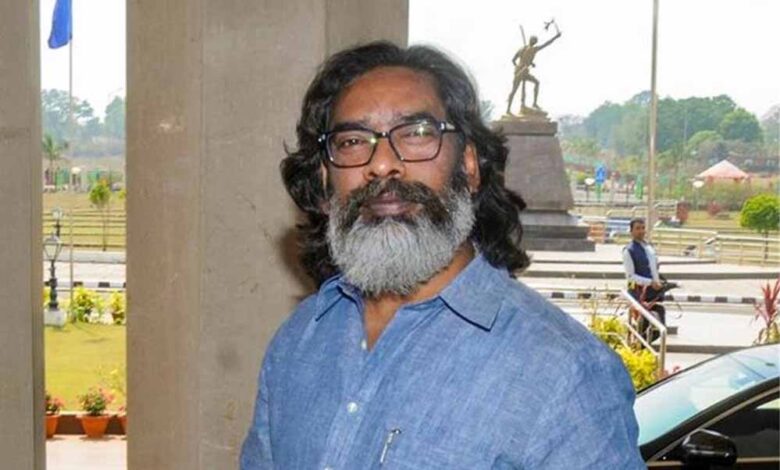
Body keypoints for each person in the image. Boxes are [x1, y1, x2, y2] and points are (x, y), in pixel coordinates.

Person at [241, 41, 643, 469]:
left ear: (468, 165)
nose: (382, 164)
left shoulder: (564, 372)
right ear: (326, 178)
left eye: (416, 134)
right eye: (353, 141)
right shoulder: (300, 340)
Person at [623, 218, 667, 338]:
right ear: (631, 231)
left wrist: (658, 281)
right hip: (639, 294)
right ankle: (639, 346)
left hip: (653, 293)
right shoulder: (629, 251)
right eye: (637, 228)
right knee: (644, 327)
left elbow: (653, 268)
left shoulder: (649, 248)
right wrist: (650, 282)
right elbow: (630, 276)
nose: (641, 231)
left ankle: (643, 345)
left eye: (643, 228)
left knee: (659, 326)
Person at [506, 29, 561, 115]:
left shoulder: (522, 49)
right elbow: (546, 44)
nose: (535, 43)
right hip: (520, 72)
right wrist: (556, 37)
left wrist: (527, 64)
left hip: (522, 71)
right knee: (514, 90)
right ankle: (508, 109)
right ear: (533, 42)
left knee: (536, 82)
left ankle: (534, 103)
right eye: (535, 41)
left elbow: (513, 60)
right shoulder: (533, 49)